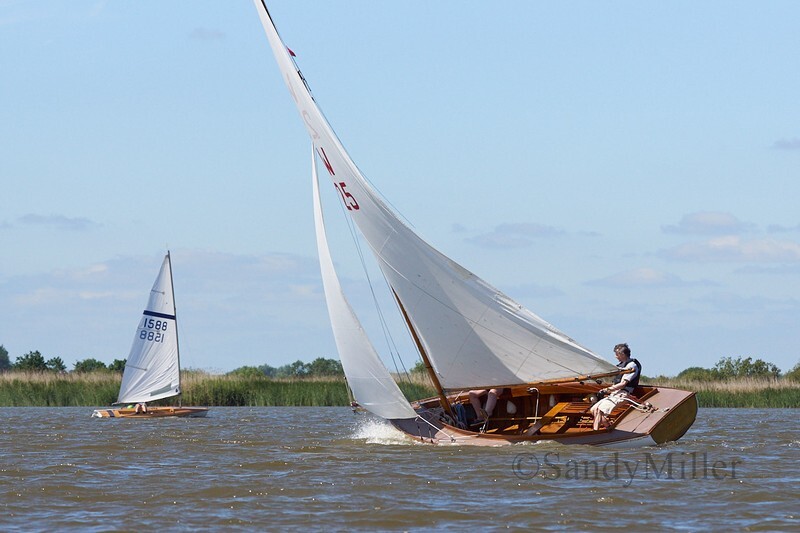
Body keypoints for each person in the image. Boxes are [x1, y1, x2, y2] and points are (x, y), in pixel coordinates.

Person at [590, 343, 641, 430]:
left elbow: (623, 384)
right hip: (615, 393)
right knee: (593, 410)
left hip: (623, 394)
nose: (615, 357)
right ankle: (609, 428)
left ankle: (595, 433)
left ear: (622, 354)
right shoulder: (620, 366)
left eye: (617, 354)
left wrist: (607, 390)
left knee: (599, 411)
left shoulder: (631, 365)